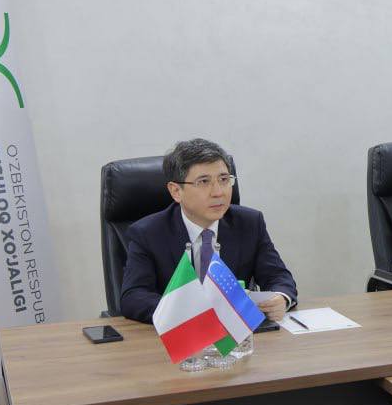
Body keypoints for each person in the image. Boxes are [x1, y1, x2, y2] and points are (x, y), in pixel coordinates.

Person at [119, 138, 296, 322]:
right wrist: (192, 313)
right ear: (176, 191)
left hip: (238, 333)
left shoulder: (249, 223)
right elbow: (134, 297)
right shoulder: (147, 233)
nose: (218, 192)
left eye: (224, 180)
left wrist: (280, 298)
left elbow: (277, 276)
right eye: (204, 181)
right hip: (180, 333)